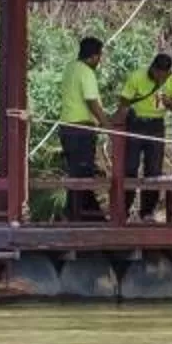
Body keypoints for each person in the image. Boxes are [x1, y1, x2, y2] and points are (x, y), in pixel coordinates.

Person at [117, 51, 172, 219]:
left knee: (154, 171)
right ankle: (123, 211)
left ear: (169, 72)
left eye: (164, 76)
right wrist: (116, 128)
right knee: (129, 169)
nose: (160, 79)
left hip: (156, 126)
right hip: (135, 123)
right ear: (152, 69)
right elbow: (124, 103)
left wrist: (170, 103)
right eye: (158, 75)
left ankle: (147, 212)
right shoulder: (137, 77)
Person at [59, 35, 108, 221]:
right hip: (81, 129)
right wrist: (107, 124)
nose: (99, 60)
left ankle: (80, 214)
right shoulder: (87, 72)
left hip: (67, 128)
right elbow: (92, 101)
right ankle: (81, 214)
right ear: (95, 56)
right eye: (100, 56)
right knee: (82, 173)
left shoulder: (70, 68)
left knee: (78, 172)